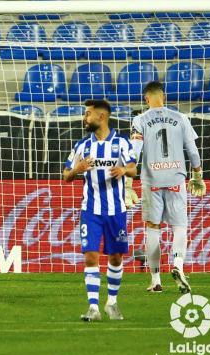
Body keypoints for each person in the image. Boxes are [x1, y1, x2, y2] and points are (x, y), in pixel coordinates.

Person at [63, 99, 137, 321]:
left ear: (101, 117)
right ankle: (93, 307)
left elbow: (134, 168)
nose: (85, 118)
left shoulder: (122, 143)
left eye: (88, 114)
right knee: (90, 255)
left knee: (115, 257)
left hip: (116, 210)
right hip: (91, 210)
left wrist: (123, 169)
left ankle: (112, 303)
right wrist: (77, 168)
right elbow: (66, 175)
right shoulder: (82, 146)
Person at [130, 81, 206, 294]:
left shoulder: (140, 119)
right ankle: (178, 265)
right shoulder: (181, 118)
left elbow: (134, 152)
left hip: (151, 182)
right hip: (176, 180)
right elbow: (192, 150)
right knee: (179, 226)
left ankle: (155, 281)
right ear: (163, 97)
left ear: (146, 99)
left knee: (153, 228)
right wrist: (197, 175)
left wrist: (128, 179)